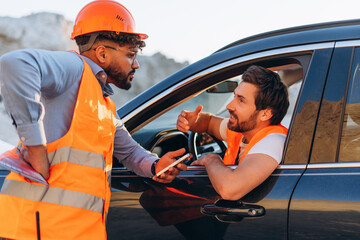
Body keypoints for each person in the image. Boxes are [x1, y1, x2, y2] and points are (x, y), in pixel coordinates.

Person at [0, 1, 186, 239]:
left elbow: (129, 153)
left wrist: (155, 166)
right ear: (102, 53)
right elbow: (15, 64)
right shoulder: (74, 69)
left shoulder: (103, 102)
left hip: (73, 230)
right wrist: (35, 148)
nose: (136, 63)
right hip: (34, 228)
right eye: (130, 54)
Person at [177, 65, 289, 201]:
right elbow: (209, 122)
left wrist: (211, 159)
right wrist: (193, 121)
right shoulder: (243, 130)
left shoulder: (274, 141)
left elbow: (230, 190)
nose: (229, 106)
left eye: (241, 100)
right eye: (234, 97)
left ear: (265, 114)